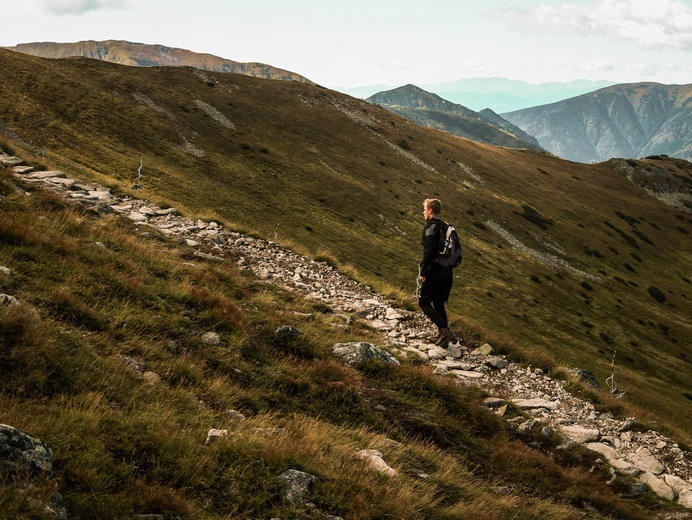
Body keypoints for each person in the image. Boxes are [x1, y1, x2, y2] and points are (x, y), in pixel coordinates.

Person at [418, 198, 457, 347]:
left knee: (424, 302)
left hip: (435, 271)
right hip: (447, 272)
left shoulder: (430, 228)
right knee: (439, 303)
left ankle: (445, 331)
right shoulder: (444, 226)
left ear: (430, 211)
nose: (423, 212)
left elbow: (428, 252)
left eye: (424, 209)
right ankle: (443, 337)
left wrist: (423, 272)